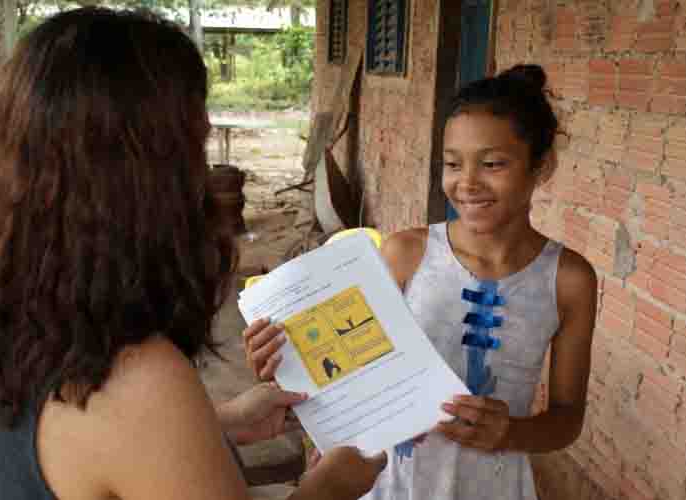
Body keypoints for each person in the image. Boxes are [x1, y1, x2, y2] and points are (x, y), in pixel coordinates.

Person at [0, 7, 386, 500]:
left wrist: (212, 425)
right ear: (143, 185)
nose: (204, 181)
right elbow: (117, 428)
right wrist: (328, 488)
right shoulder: (137, 378)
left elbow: (76, 452)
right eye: (194, 151)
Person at [243, 64, 597, 500]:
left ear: (542, 166)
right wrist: (288, 363)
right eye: (452, 163)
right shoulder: (407, 254)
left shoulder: (568, 279)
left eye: (492, 164)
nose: (466, 182)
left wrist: (511, 432)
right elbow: (350, 374)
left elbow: (566, 420)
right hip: (389, 483)